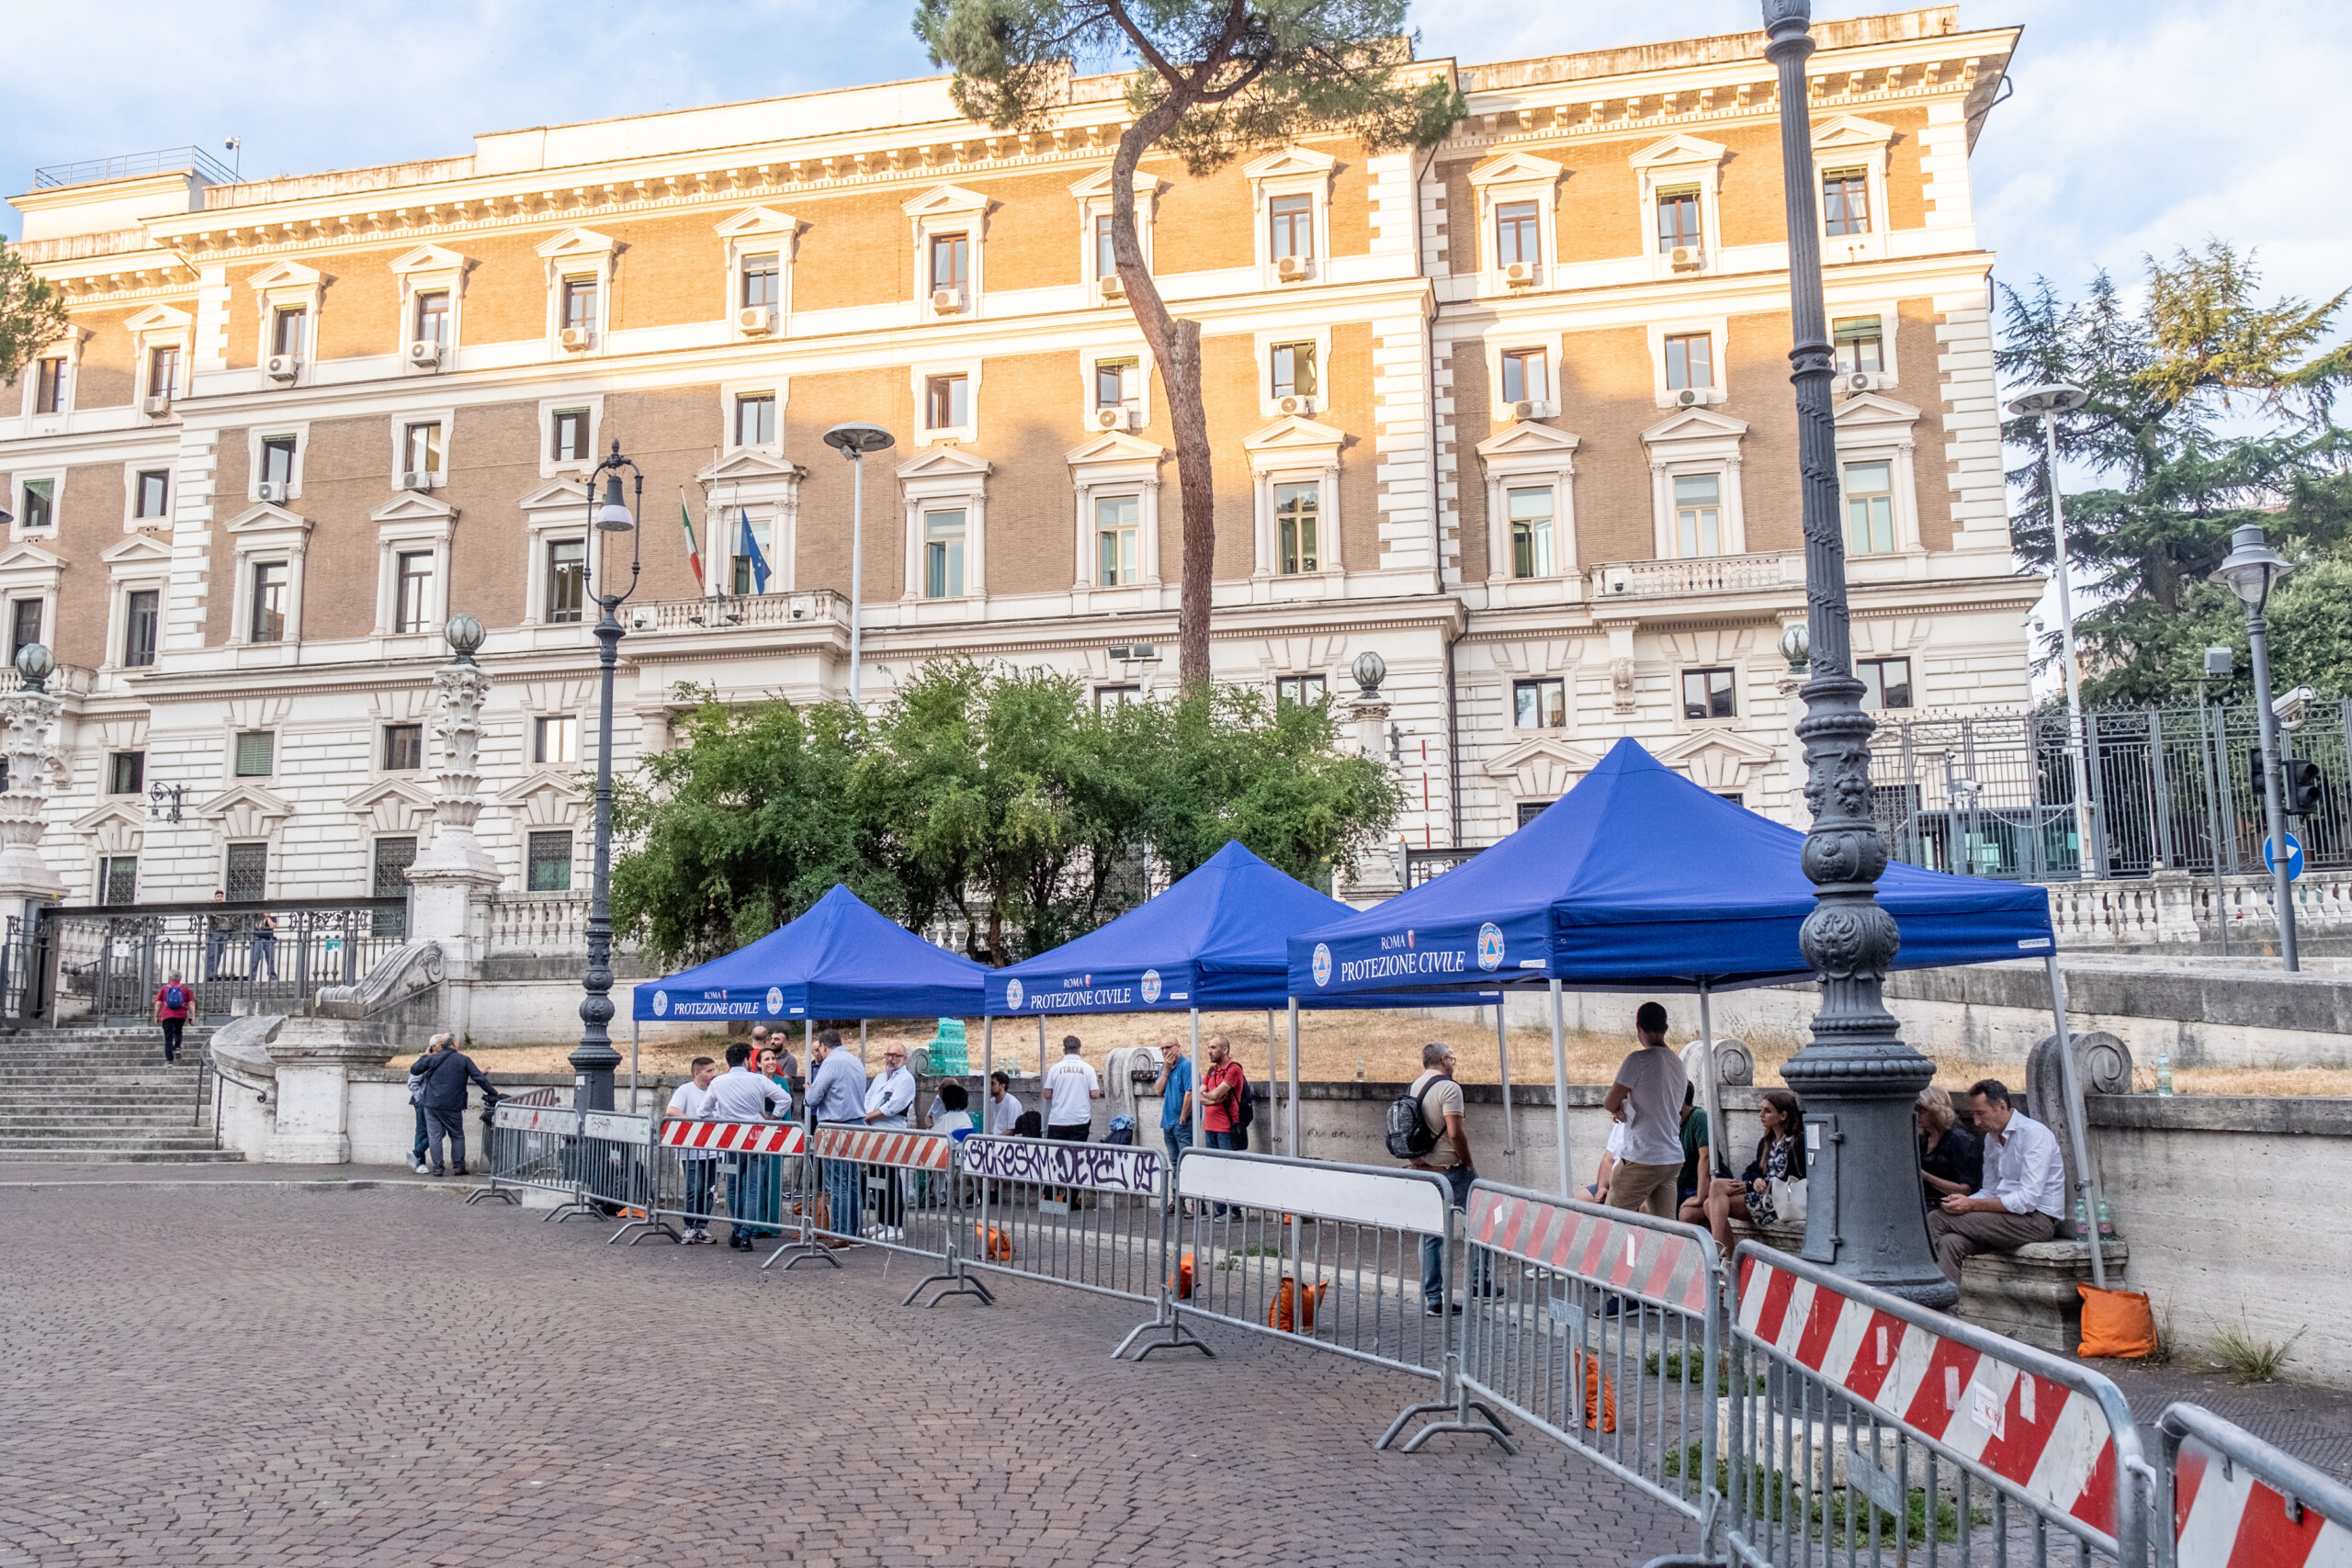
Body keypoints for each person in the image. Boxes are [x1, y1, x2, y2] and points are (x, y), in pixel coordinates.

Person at [1927, 1078, 2066, 1286]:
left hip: (2036, 1220)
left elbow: (2028, 1199)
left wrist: (1971, 1205)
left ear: (2001, 1107)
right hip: (2002, 1218)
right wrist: (1964, 1201)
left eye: (1980, 1113)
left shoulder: (2033, 1134)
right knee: (1950, 1243)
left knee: (1936, 1220)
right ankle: (1944, 1315)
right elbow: (1989, 1190)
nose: (1975, 1122)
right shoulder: (1991, 1139)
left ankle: (1913, 1291)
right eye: (1973, 1114)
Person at [1401, 1042, 1486, 1315]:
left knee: (1430, 1234)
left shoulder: (1414, 1087)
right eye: (1452, 1058)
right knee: (1481, 1219)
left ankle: (1434, 1298)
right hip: (1450, 1168)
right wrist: (1468, 1161)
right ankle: (1479, 1282)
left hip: (1423, 1169)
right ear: (1443, 1059)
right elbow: (1454, 1132)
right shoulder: (1450, 1088)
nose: (1453, 1063)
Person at [1680, 1089, 1805, 1256]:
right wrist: (1752, 1182)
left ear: (1783, 1116)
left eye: (1767, 1111)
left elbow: (1796, 1176)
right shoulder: (1766, 1142)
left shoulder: (1796, 1142)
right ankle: (1725, 1257)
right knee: (1710, 1200)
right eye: (1761, 1109)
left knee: (1714, 1194)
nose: (1761, 1114)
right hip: (1761, 1194)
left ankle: (1719, 1252)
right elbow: (1753, 1171)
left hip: (1778, 1200)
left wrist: (1753, 1186)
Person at [1602, 1002, 1689, 1218]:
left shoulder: (1637, 1060)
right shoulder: (1678, 1064)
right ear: (1666, 1028)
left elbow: (1609, 1102)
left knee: (1612, 1218)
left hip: (1643, 1155)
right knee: (1666, 1226)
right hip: (1671, 1156)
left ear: (1638, 1027)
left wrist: (1619, 1106)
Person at [707, 1042, 790, 1251]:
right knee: (753, 1188)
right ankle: (745, 1235)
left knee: (733, 1187)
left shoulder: (718, 1082)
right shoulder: (757, 1080)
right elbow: (785, 1098)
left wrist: (721, 1117)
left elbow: (702, 1111)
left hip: (732, 1139)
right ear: (747, 1060)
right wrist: (772, 1117)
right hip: (755, 1137)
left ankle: (738, 1230)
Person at [805, 1027, 869, 1241]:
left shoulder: (830, 1063)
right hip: (856, 1123)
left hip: (835, 1125)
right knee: (852, 1181)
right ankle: (854, 1230)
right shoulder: (855, 1061)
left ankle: (840, 1232)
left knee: (838, 1182)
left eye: (819, 1049)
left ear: (823, 1046)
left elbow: (814, 1097)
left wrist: (808, 1092)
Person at [408, 1031, 500, 1178]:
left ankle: (438, 1169)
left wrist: (427, 1054)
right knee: (457, 1135)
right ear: (454, 1044)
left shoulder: (433, 1058)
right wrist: (494, 1093)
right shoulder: (463, 1060)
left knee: (434, 1136)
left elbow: (414, 1069)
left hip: (431, 1104)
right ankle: (459, 1167)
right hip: (452, 1105)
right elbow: (479, 1078)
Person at [862, 1043, 917, 1239]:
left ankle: (895, 1226)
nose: (891, 1059)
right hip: (873, 1132)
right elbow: (867, 1098)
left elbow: (894, 1106)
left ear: (905, 1058)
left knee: (890, 1178)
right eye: (889, 1055)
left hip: (890, 1132)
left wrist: (869, 1116)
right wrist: (866, 1115)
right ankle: (883, 1220)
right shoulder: (879, 1078)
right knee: (876, 1179)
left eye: (896, 1055)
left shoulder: (906, 1080)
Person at [665, 1056, 721, 1243]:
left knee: (709, 1190)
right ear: (697, 1073)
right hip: (692, 1150)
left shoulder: (717, 1091)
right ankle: (689, 1226)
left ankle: (702, 1226)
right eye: (709, 1071)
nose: (713, 1074)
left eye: (713, 1070)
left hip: (714, 1150)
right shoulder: (686, 1090)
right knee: (694, 1188)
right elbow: (672, 1110)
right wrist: (694, 1127)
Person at [1917, 1085, 1984, 1212]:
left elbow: (1965, 1190)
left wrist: (1924, 1176)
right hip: (1925, 1202)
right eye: (1914, 1109)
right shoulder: (1924, 1138)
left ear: (1936, 1110)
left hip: (1950, 1205)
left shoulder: (1959, 1140)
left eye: (1922, 1110)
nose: (1917, 1114)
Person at [1150, 1033, 1193, 1206]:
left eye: (1169, 1047)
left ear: (1178, 1047)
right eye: (1163, 1048)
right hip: (1168, 1124)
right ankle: (1177, 1201)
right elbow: (1158, 1091)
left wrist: (1183, 1119)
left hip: (1182, 1125)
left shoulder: (1187, 1066)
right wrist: (1166, 1070)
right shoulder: (1165, 1068)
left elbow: (1190, 1093)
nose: (1166, 1051)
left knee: (1187, 1163)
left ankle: (1196, 1203)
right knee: (1174, 1164)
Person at [1044, 1036, 1101, 1144]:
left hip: (1058, 1120)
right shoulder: (1088, 1068)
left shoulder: (1054, 1068)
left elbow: (1047, 1094)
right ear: (1079, 1050)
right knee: (1077, 1156)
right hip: (1079, 1120)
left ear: (1064, 1051)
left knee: (1056, 1156)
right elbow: (1095, 1094)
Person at [404, 1034, 443, 1175]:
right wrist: (422, 1097)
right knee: (422, 1130)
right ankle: (419, 1162)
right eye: (440, 1045)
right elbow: (412, 1083)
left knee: (439, 1131)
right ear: (433, 1047)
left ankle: (415, 1153)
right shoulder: (423, 1061)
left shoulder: (440, 1059)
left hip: (435, 1101)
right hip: (422, 1101)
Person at [1201, 1035, 1246, 1152]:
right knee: (1213, 1166)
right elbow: (1197, 1097)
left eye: (1213, 1048)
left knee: (1227, 1167)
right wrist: (1214, 1101)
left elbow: (1216, 1093)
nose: (1209, 1051)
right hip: (1209, 1127)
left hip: (1226, 1129)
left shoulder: (1234, 1069)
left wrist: (1208, 1095)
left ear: (1225, 1050)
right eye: (1209, 1048)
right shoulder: (1211, 1071)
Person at [1677, 1083, 1713, 1207]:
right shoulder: (1670, 1120)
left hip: (1697, 1187)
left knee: (1687, 1215)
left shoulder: (1698, 1117)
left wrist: (1699, 1197)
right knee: (1646, 1208)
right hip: (1677, 1186)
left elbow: (1706, 1156)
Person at [153, 969, 192, 1066]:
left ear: (170, 978)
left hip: (167, 1015)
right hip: (181, 1015)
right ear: (180, 978)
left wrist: (156, 1016)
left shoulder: (164, 989)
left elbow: (158, 1003)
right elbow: (191, 1002)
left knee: (168, 1037)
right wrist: (193, 1015)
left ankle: (169, 1060)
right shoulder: (185, 989)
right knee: (178, 1031)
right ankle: (178, 1047)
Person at [1581, 1119, 1626, 1202]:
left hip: (1634, 1188)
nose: (1612, 1116)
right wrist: (1602, 1188)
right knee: (1576, 1199)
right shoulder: (1620, 1124)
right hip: (1612, 1186)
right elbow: (1608, 1160)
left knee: (1645, 1208)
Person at [986, 1070, 1024, 1137]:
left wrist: (996, 1139)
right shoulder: (990, 1102)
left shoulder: (1012, 1103)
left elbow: (1011, 1130)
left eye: (993, 1084)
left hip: (1009, 1143)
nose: (990, 1086)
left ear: (1002, 1086)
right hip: (993, 1141)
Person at [204, 890, 229, 981]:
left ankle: (214, 973)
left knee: (218, 955)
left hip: (223, 933)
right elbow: (210, 917)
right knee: (211, 955)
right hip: (214, 933)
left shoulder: (226, 908)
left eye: (221, 896)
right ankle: (209, 975)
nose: (219, 898)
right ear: (215, 898)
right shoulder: (211, 907)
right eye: (218, 896)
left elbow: (228, 919)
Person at [249, 909, 279, 983]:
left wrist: (268, 918)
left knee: (270, 959)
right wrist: (265, 918)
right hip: (258, 940)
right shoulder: (258, 918)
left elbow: (273, 926)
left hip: (269, 940)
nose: (267, 912)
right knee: (255, 959)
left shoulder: (274, 918)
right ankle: (252, 977)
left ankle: (272, 977)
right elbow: (259, 926)